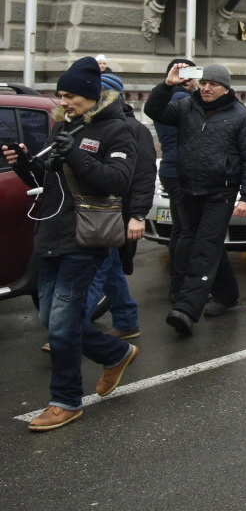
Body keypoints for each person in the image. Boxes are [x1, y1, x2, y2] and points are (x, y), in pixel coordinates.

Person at [4, 58, 138, 431]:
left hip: (86, 236)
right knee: (51, 318)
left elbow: (117, 181)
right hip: (51, 235)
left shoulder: (118, 130)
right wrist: (24, 163)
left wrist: (76, 154)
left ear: (93, 96)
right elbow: (48, 181)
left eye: (71, 96)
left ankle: (65, 401)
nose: (64, 102)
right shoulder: (64, 124)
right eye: (61, 95)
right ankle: (115, 352)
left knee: (62, 323)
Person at [145, 63, 246, 335]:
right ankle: (227, 295)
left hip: (220, 193)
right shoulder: (186, 107)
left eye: (214, 84)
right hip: (188, 189)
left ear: (226, 88)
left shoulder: (241, 117)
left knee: (203, 249)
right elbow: (154, 111)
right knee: (206, 245)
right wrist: (167, 85)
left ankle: (186, 309)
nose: (207, 88)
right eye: (204, 82)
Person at [84, 73, 156, 340]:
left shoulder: (134, 130)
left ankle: (67, 331)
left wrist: (138, 214)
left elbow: (144, 175)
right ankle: (126, 320)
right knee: (109, 267)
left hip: (116, 214)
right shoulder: (84, 124)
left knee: (94, 272)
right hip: (91, 213)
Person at [153, 58, 196, 301]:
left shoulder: (165, 99)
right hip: (184, 170)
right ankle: (181, 286)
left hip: (170, 168)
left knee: (180, 229)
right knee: (188, 230)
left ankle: (177, 283)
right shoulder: (184, 100)